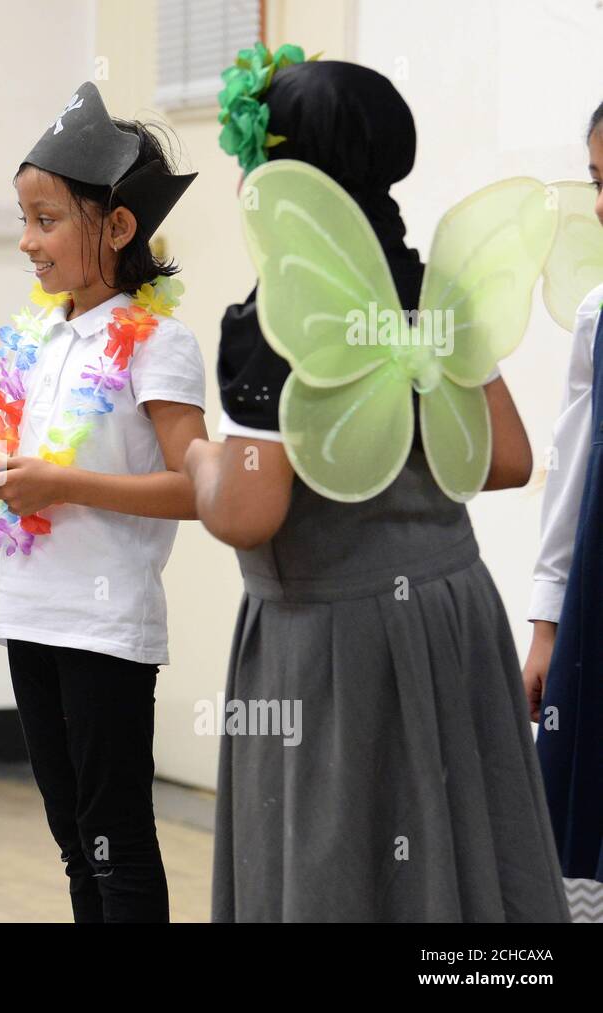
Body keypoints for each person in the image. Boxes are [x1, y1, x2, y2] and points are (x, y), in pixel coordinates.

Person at [185, 50, 570, 921]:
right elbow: (505, 458)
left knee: (341, 862)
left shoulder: (276, 320)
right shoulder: (434, 288)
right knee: (456, 859)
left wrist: (195, 454)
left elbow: (249, 510)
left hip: (333, 640)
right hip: (453, 612)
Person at [0, 83, 206, 922]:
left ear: (117, 225)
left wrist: (63, 481)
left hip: (106, 626)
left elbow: (196, 487)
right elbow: (22, 487)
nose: (28, 242)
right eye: (23, 219)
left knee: (116, 834)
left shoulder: (160, 342)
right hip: (29, 611)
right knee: (73, 835)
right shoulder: (40, 337)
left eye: (47, 219)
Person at [523, 98, 603, 895]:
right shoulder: (598, 315)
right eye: (596, 179)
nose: (602, 204)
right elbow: (572, 472)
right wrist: (548, 623)